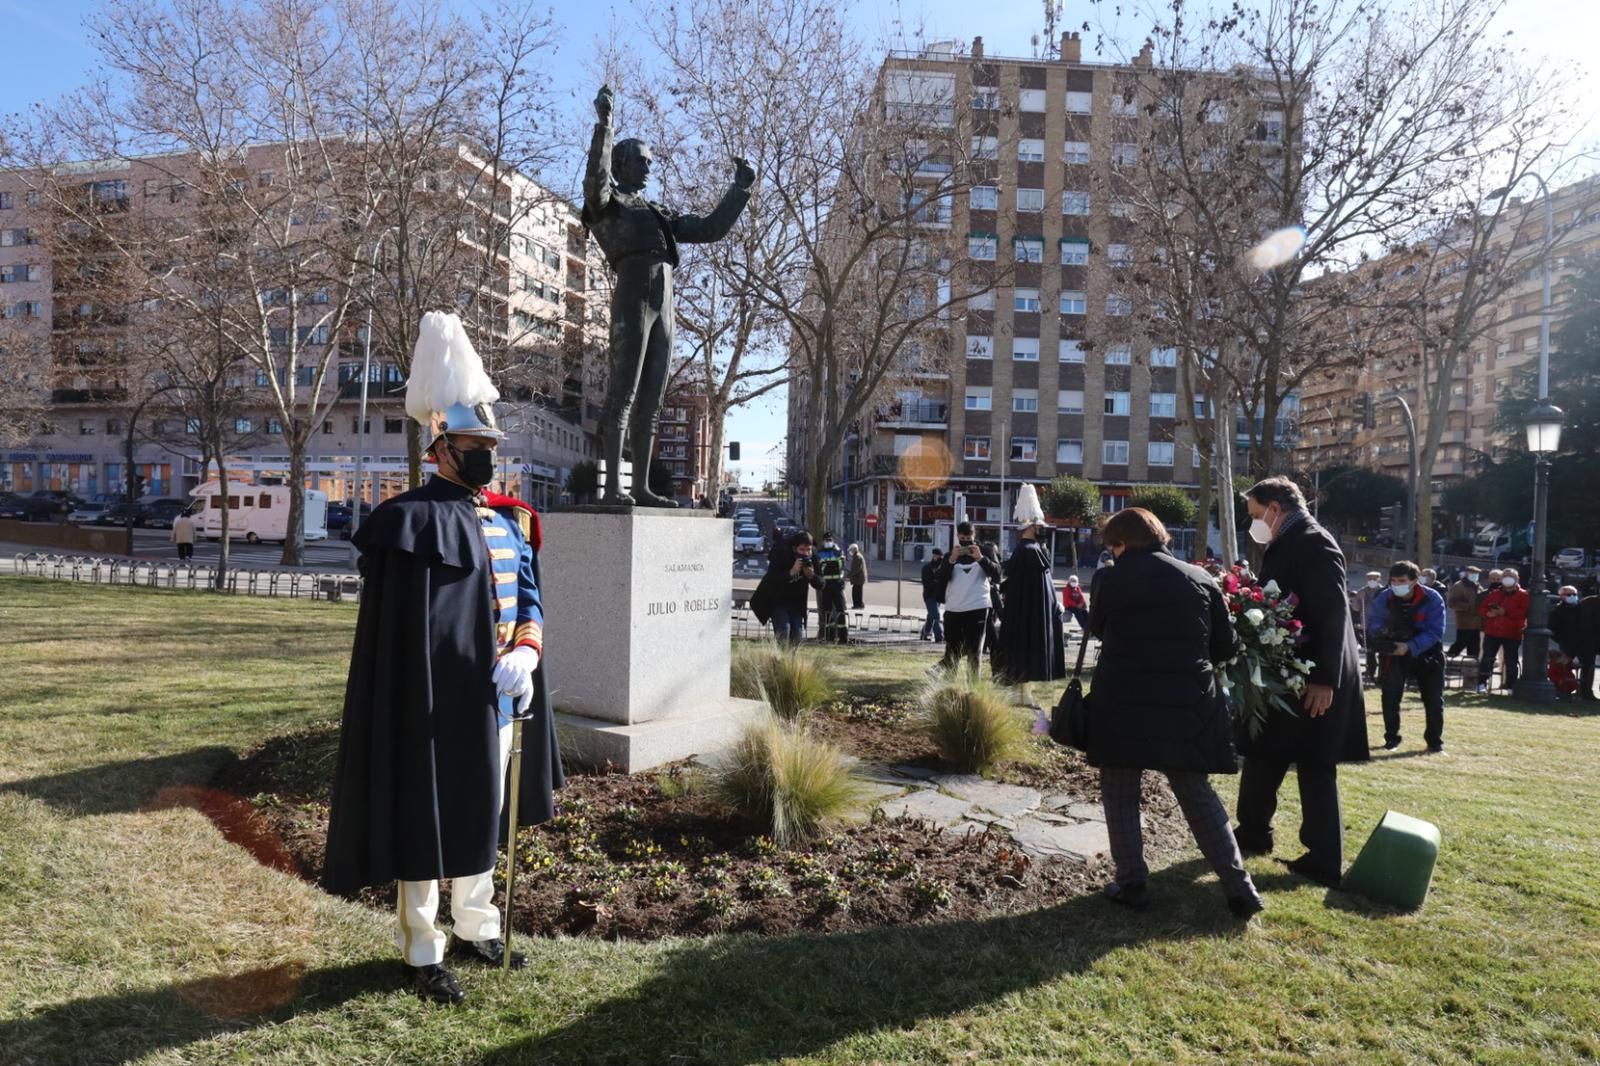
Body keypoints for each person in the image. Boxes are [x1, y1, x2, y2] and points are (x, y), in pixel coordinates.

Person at [324, 312, 563, 1006]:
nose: (487, 453)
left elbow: (528, 599)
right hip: (431, 700)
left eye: (490, 444)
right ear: (442, 449)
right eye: (474, 444)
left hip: (499, 696)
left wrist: (526, 653)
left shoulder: (512, 519)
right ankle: (423, 949)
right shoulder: (407, 522)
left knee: (487, 812)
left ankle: (477, 925)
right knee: (426, 818)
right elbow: (400, 632)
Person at [582, 84, 754, 506]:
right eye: (641, 160)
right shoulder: (608, 203)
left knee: (652, 400)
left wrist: (740, 189)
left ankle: (641, 487)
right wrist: (605, 127)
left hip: (665, 301)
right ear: (621, 163)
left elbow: (710, 229)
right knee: (623, 393)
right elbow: (595, 182)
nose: (648, 167)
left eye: (650, 162)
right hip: (633, 293)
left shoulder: (657, 212)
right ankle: (613, 487)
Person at [1087, 507, 1263, 919]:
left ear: (1121, 543)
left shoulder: (1110, 579)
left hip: (1123, 699)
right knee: (1196, 793)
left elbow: (1098, 628)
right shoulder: (1199, 578)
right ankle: (1239, 887)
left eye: (1112, 545)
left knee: (1120, 791)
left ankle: (1131, 883)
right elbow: (1224, 646)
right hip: (1187, 703)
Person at [1233, 477, 1369, 890]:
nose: (1254, 523)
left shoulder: (1314, 542)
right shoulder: (1291, 540)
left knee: (1314, 763)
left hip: (1314, 674)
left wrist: (1325, 679)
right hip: (1290, 670)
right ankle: (1253, 831)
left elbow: (1331, 612)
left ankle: (1323, 858)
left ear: (1276, 508)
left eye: (1256, 514)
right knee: (1264, 751)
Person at [994, 485, 1066, 707]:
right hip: (1028, 614)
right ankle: (1020, 693)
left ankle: (1023, 692)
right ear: (1032, 527)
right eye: (1039, 526)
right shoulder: (1030, 551)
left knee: (1022, 651)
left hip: (1025, 613)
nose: (1042, 529)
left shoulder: (1029, 550)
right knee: (1024, 651)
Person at [1367, 561, 1447, 753]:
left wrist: (1410, 646)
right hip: (1394, 652)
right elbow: (1374, 622)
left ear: (1414, 580)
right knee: (1390, 696)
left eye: (1401, 581)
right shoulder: (1385, 597)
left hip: (1428, 654)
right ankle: (1391, 739)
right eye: (1393, 581)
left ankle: (1434, 743)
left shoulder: (1432, 598)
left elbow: (1435, 631)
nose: (1396, 585)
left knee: (1434, 700)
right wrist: (1383, 636)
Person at [938, 521, 1000, 678]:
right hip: (954, 608)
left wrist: (981, 558)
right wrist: (951, 560)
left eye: (969, 538)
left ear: (974, 536)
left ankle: (973, 686)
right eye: (962, 538)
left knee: (974, 650)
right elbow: (941, 579)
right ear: (957, 536)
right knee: (952, 650)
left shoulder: (985, 552)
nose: (965, 542)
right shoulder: (950, 556)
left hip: (977, 607)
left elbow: (998, 575)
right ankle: (949, 684)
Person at [750, 530, 821, 646]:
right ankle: (781, 655)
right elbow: (772, 579)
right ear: (794, 548)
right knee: (784, 629)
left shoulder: (812, 557)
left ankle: (791, 657)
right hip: (778, 599)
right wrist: (790, 573)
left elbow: (821, 584)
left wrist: (811, 576)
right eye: (802, 549)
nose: (805, 553)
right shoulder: (783, 553)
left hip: (796, 603)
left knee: (797, 635)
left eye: (808, 550)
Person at [1477, 567, 1529, 693]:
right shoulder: (1494, 593)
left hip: (1512, 633)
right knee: (1487, 658)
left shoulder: (1523, 595)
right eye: (1505, 576)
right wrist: (1488, 613)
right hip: (1493, 631)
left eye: (1511, 576)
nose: (1507, 578)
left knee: (1511, 660)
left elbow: (1523, 612)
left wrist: (1505, 612)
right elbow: (1482, 609)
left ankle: (1510, 686)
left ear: (1517, 579)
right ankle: (1482, 683)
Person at [813, 532, 849, 644]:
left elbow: (842, 567)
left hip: (837, 585)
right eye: (826, 540)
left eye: (830, 540)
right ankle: (830, 636)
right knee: (827, 611)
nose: (828, 542)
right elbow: (818, 570)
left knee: (840, 610)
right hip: (826, 586)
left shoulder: (838, 552)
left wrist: (842, 580)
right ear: (823, 541)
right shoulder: (819, 553)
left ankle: (843, 637)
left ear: (833, 541)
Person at [1445, 566, 1484, 660]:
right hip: (1464, 622)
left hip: (1477, 623)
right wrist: (1467, 606)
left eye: (1476, 574)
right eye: (1472, 573)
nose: (1475, 575)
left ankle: (1472, 665)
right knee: (1460, 644)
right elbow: (1451, 602)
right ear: (1466, 574)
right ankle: (1447, 659)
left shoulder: (1478, 586)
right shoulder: (1458, 586)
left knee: (1474, 647)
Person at [1358, 571, 1384, 681]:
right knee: (1369, 651)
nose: (1371, 580)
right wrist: (1359, 599)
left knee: (1382, 650)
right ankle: (1371, 671)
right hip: (1367, 625)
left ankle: (1382, 674)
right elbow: (1356, 607)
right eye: (1369, 578)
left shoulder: (1384, 591)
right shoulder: (1363, 591)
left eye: (1374, 578)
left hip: (1381, 625)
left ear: (1379, 579)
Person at [919, 547, 947, 642]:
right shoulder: (927, 568)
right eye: (939, 557)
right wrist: (938, 582)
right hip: (929, 596)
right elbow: (927, 583)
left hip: (938, 596)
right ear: (934, 556)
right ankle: (939, 636)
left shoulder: (942, 568)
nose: (941, 559)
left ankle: (925, 633)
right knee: (936, 615)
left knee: (931, 616)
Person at [847, 543, 869, 610]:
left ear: (854, 550)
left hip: (858, 578)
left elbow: (857, 569)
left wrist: (850, 574)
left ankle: (858, 605)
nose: (850, 552)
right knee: (857, 591)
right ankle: (859, 604)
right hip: (858, 578)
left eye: (851, 550)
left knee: (856, 592)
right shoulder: (856, 556)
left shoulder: (858, 557)